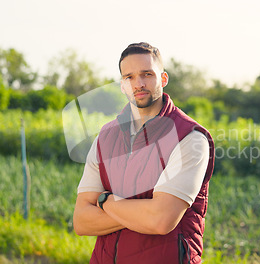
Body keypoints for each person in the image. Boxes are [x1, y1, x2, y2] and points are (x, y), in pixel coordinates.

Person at [73, 42, 215, 264]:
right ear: (122, 85)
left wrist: (106, 202)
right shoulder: (105, 137)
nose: (138, 84)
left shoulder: (189, 138)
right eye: (129, 77)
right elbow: (82, 221)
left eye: (147, 74)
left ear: (163, 78)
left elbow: (160, 220)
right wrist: (141, 211)